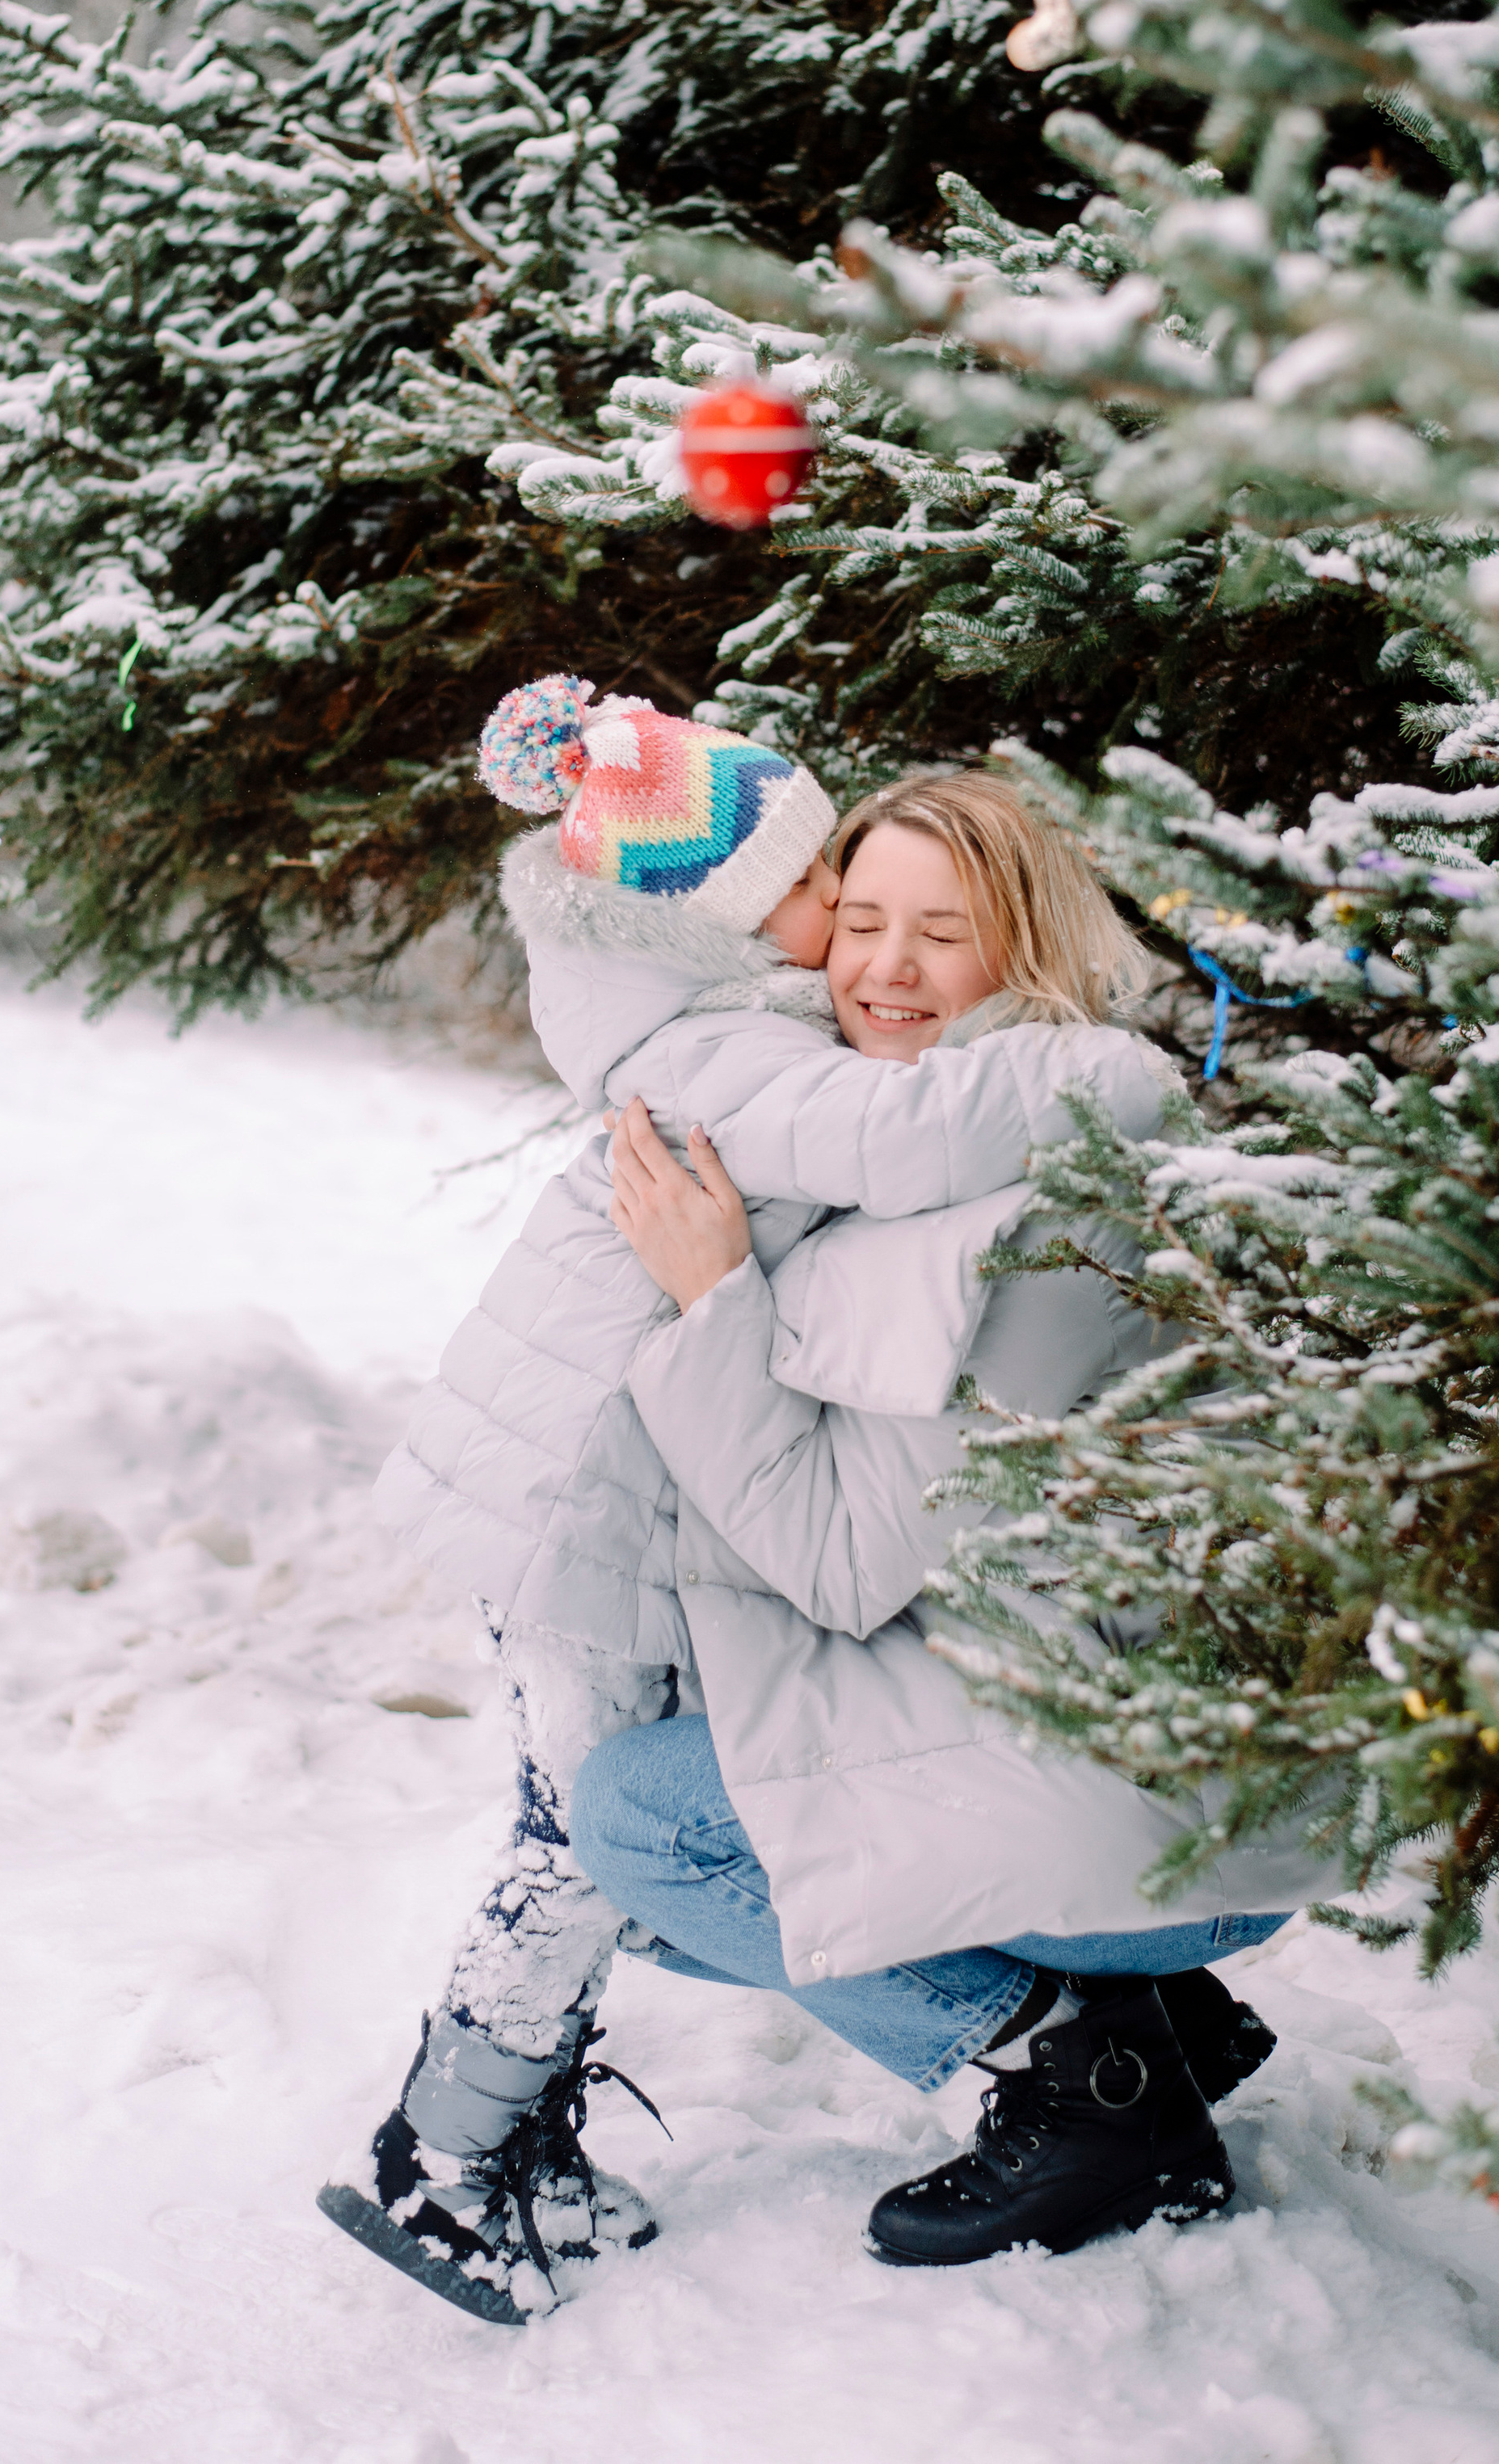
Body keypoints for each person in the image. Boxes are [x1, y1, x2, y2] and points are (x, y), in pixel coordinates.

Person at [320, 689, 1184, 2324]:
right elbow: (904, 1130)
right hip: (575, 1517)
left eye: (924, 924)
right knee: (581, 1836)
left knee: (609, 1832)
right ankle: (444, 2157)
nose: (855, 937)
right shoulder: (724, 1051)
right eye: (827, 898)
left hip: (611, 1507)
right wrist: (1105, 1070)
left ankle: (500, 2135)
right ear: (717, 913)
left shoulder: (744, 1020)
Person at [572, 769, 1328, 2270]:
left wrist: (714, 1300)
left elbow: (845, 1562)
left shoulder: (1050, 1200)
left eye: (943, 931)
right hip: (1075, 1738)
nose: (887, 968)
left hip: (1167, 1819)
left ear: (1027, 945)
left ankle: (1094, 2084)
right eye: (860, 921)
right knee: (699, 1827)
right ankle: (1152, 2024)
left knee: (646, 1828)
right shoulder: (929, 1133)